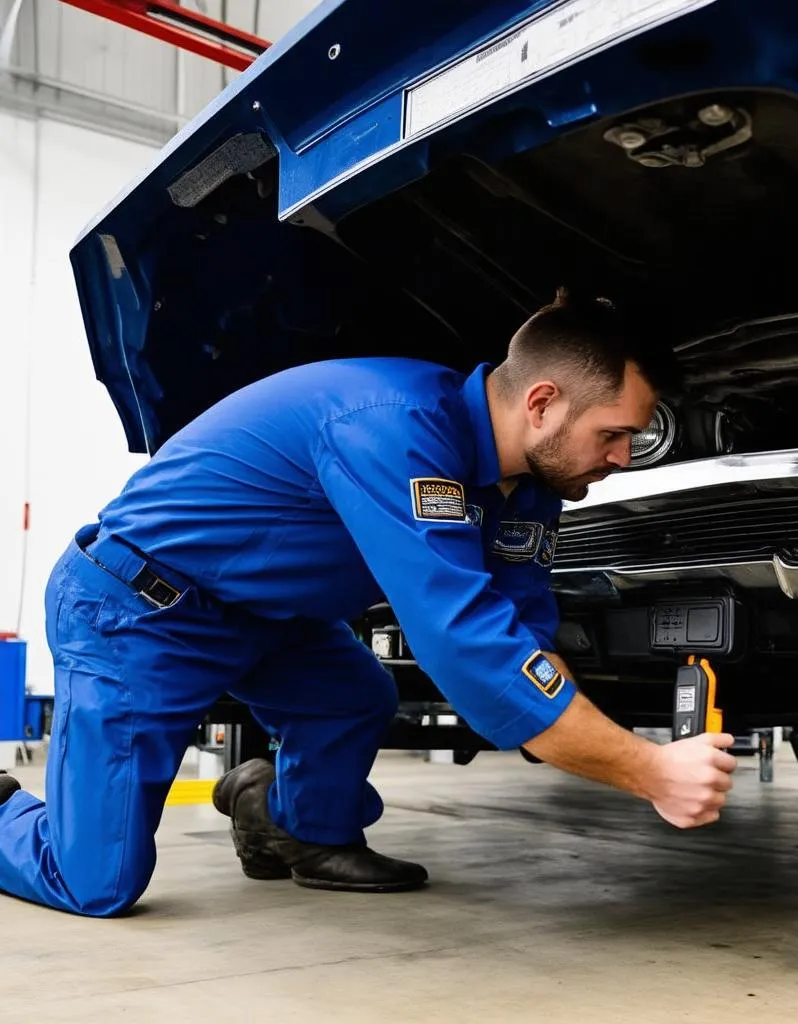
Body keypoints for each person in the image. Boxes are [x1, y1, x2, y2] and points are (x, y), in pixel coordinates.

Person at [0, 288, 737, 917]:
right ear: (542, 403)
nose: (621, 457)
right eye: (614, 435)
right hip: (139, 611)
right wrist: (649, 769)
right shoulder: (394, 427)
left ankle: (295, 829)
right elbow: (469, 647)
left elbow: (522, 629)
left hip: (266, 617)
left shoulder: (535, 490)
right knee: (95, 883)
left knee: (353, 694)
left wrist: (571, 722)